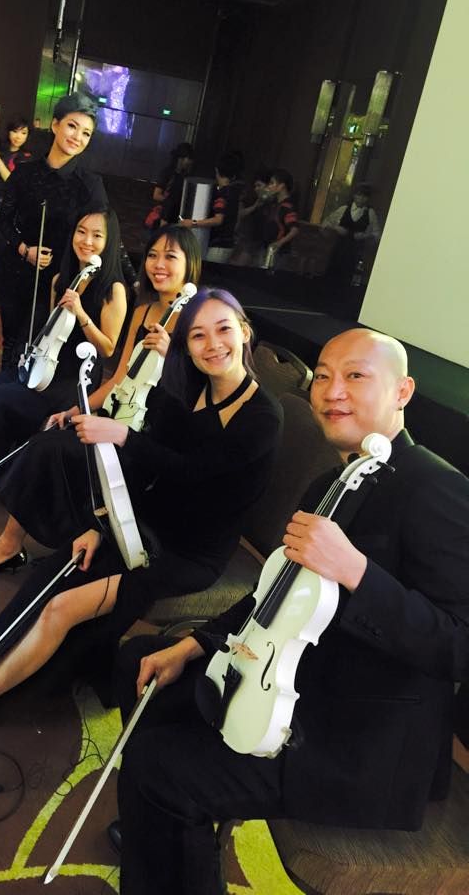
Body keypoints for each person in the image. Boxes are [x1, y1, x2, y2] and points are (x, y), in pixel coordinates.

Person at [112, 327, 469, 895]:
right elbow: (272, 591)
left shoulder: (438, 489)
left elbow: (458, 646)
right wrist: (195, 644)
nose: (332, 391)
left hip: (360, 740)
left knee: (160, 768)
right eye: (322, 376)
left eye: (355, 376)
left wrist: (357, 572)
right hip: (296, 682)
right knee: (147, 669)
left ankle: (163, 819)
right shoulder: (331, 483)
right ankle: (161, 832)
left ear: (402, 392)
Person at [0, 287, 282, 735]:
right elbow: (153, 475)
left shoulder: (264, 416)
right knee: (46, 579)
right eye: (199, 336)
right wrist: (98, 527)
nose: (213, 344)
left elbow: (192, 472)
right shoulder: (191, 390)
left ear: (245, 332)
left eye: (224, 329)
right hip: (143, 529)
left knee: (61, 607)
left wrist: (122, 436)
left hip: (189, 554)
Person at [0, 224, 204, 571]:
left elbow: (199, 398)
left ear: (190, 263)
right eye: (152, 255)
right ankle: (19, 542)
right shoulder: (144, 311)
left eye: (170, 256)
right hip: (120, 417)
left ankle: (11, 546)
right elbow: (119, 379)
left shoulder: (198, 320)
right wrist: (77, 409)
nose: (158, 264)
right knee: (50, 435)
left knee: (51, 450)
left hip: (152, 439)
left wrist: (174, 357)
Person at [0, 206, 127, 507]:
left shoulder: (113, 290)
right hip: (44, 362)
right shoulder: (61, 279)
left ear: (109, 242)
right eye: (81, 232)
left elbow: (107, 348)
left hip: (72, 379)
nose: (87, 241)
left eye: (97, 235)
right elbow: (52, 330)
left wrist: (81, 312)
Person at [0, 92, 107, 371]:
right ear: (55, 125)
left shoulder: (90, 184)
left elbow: (105, 233)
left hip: (59, 282)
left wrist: (131, 279)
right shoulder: (24, 173)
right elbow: (2, 222)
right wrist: (24, 250)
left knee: (39, 351)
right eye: (72, 126)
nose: (77, 137)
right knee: (11, 346)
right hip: (18, 273)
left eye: (86, 133)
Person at [322, 182, 382, 316]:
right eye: (359, 195)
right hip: (339, 248)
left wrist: (365, 235)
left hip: (355, 251)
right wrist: (336, 228)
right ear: (354, 195)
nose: (361, 198)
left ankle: (338, 309)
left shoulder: (370, 213)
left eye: (365, 196)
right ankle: (326, 303)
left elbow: (377, 233)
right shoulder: (344, 209)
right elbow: (326, 222)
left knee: (347, 278)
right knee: (333, 274)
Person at [180, 152, 244, 261]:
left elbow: (218, 219)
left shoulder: (223, 194)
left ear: (217, 171)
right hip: (227, 243)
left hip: (218, 245)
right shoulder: (234, 192)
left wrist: (193, 223)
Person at [0, 113, 32, 211]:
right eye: (15, 131)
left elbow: (13, 182)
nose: (18, 137)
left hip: (5, 204)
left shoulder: (26, 157)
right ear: (8, 132)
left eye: (23, 133)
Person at [146, 142, 194, 229]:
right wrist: (170, 201)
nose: (190, 162)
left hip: (177, 214)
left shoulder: (185, 176)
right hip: (165, 214)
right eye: (189, 159)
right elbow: (156, 195)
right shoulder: (167, 173)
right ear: (181, 158)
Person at [263, 167, 299, 270]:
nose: (269, 186)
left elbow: (295, 230)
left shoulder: (287, 206)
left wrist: (279, 243)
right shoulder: (275, 204)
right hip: (270, 250)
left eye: (272, 183)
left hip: (279, 254)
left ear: (282, 186)